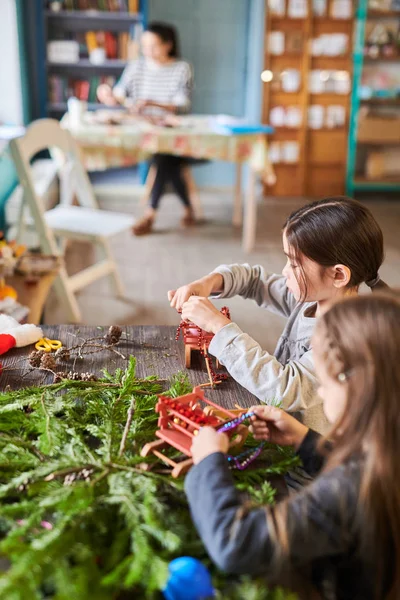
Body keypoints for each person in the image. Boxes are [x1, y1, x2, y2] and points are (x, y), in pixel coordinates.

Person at [185, 293, 400, 599]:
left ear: (356, 389)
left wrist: (208, 461)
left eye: (325, 384)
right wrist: (307, 441)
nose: (322, 396)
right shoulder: (386, 448)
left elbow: (235, 543)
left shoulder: (350, 491)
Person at [168, 197, 388, 437]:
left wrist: (218, 326)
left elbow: (285, 389)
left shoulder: (347, 340)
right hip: (280, 433)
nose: (285, 271)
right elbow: (254, 280)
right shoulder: (311, 299)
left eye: (294, 264)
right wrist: (210, 282)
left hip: (307, 461)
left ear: (338, 274)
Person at [97, 22, 194, 235]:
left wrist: (152, 103)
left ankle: (150, 214)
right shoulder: (137, 66)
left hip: (170, 132)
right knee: (167, 161)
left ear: (168, 45)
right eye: (145, 46)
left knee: (163, 158)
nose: (147, 51)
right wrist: (109, 95)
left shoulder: (181, 68)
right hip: (139, 131)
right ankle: (188, 208)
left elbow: (182, 104)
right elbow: (120, 94)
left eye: (154, 46)